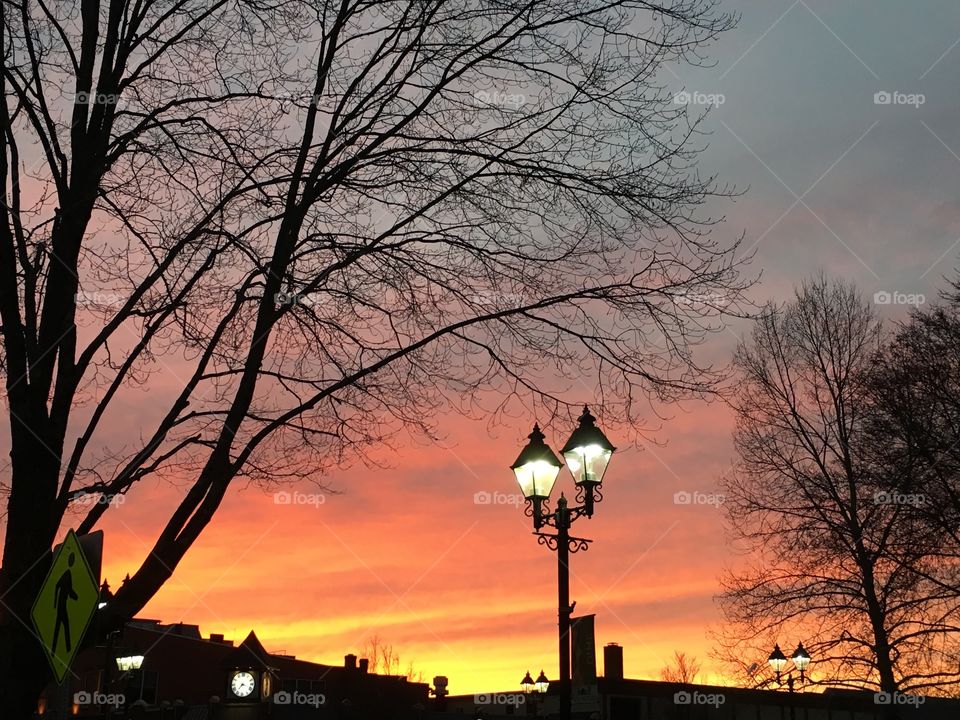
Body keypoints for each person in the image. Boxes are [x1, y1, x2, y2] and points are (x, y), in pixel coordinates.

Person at [52, 553, 79, 653]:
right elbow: (57, 586)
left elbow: (69, 590)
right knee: (63, 627)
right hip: (61, 606)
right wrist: (54, 603)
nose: (72, 561)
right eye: (71, 559)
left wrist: (75, 596)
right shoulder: (67, 573)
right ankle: (65, 649)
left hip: (62, 605)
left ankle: (58, 650)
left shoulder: (68, 574)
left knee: (60, 628)